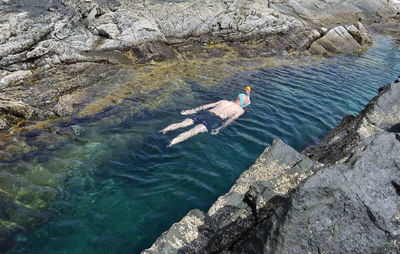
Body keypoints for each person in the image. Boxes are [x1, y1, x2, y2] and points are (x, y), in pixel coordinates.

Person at [161, 86, 251, 147]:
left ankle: (162, 131)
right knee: (192, 132)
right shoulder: (240, 110)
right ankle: (171, 143)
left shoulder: (224, 101)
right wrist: (219, 128)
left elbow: (207, 105)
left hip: (206, 113)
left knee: (182, 124)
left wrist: (191, 111)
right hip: (215, 119)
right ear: (244, 104)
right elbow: (230, 120)